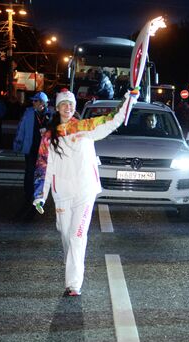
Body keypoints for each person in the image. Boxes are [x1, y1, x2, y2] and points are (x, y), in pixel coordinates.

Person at [33, 88, 139, 296]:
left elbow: (111, 120)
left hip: (84, 191)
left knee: (76, 236)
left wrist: (129, 99)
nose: (68, 107)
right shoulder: (49, 136)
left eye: (71, 104)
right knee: (65, 235)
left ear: (74, 107)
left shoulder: (85, 127)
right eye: (64, 104)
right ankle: (72, 270)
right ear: (58, 107)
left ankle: (73, 285)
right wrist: (40, 195)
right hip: (62, 193)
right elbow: (43, 167)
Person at [13, 92, 54, 205]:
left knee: (42, 174)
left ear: (42, 103)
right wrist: (17, 145)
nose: (33, 102)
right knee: (30, 172)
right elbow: (21, 129)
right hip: (31, 148)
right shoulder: (28, 113)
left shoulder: (51, 114)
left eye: (35, 101)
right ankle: (28, 195)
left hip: (45, 151)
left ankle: (39, 196)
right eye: (33, 101)